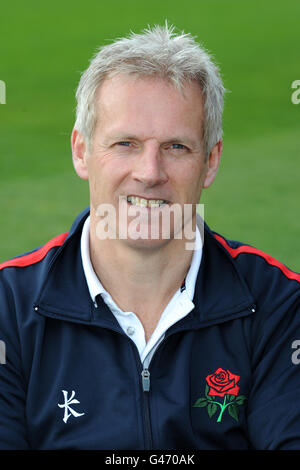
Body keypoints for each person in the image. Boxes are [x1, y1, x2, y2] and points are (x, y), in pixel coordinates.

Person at [0, 23, 300, 451]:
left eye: (176, 147)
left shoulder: (280, 303)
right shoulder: (8, 307)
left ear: (210, 162)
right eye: (125, 143)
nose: (150, 172)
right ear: (81, 151)